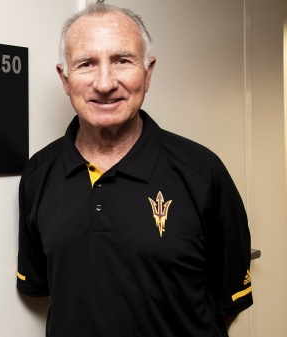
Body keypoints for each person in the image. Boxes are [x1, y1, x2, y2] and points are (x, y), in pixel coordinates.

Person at [16, 3, 252, 336]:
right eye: (86, 64)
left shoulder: (203, 172)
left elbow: (227, 300)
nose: (104, 82)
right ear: (65, 79)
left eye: (122, 61)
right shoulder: (38, 174)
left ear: (148, 72)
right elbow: (43, 286)